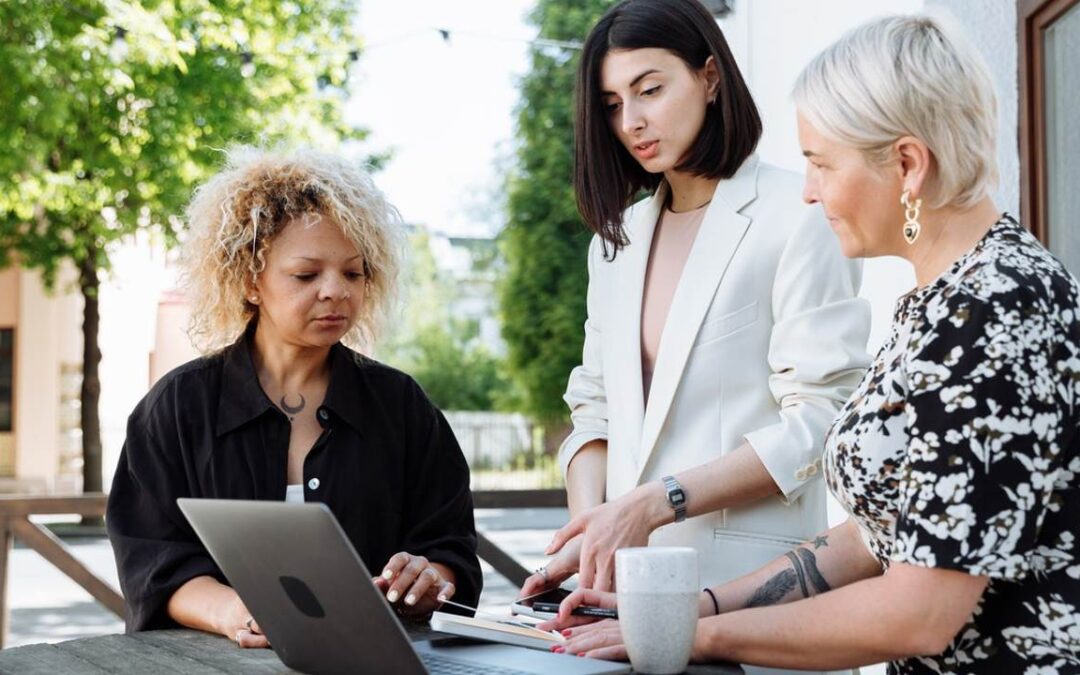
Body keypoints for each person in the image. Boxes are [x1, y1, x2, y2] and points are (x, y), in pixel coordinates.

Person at [542, 12, 1080, 674]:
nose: (808, 189)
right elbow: (874, 537)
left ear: (907, 164)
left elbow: (921, 612)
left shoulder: (994, 312)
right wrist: (700, 605)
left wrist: (696, 633)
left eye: (821, 163)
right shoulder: (942, 302)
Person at [521, 0, 870, 610]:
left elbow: (823, 418)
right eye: (611, 105)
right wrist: (592, 530)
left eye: (649, 89)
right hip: (622, 595)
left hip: (752, 589)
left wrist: (658, 502)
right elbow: (594, 409)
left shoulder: (799, 213)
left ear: (709, 77)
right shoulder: (616, 241)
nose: (631, 121)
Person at [106, 148, 482, 647]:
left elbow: (450, 549)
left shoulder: (403, 406)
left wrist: (429, 577)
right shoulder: (177, 407)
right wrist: (232, 611)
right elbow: (151, 561)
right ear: (250, 280)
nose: (336, 292)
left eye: (354, 273)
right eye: (307, 275)